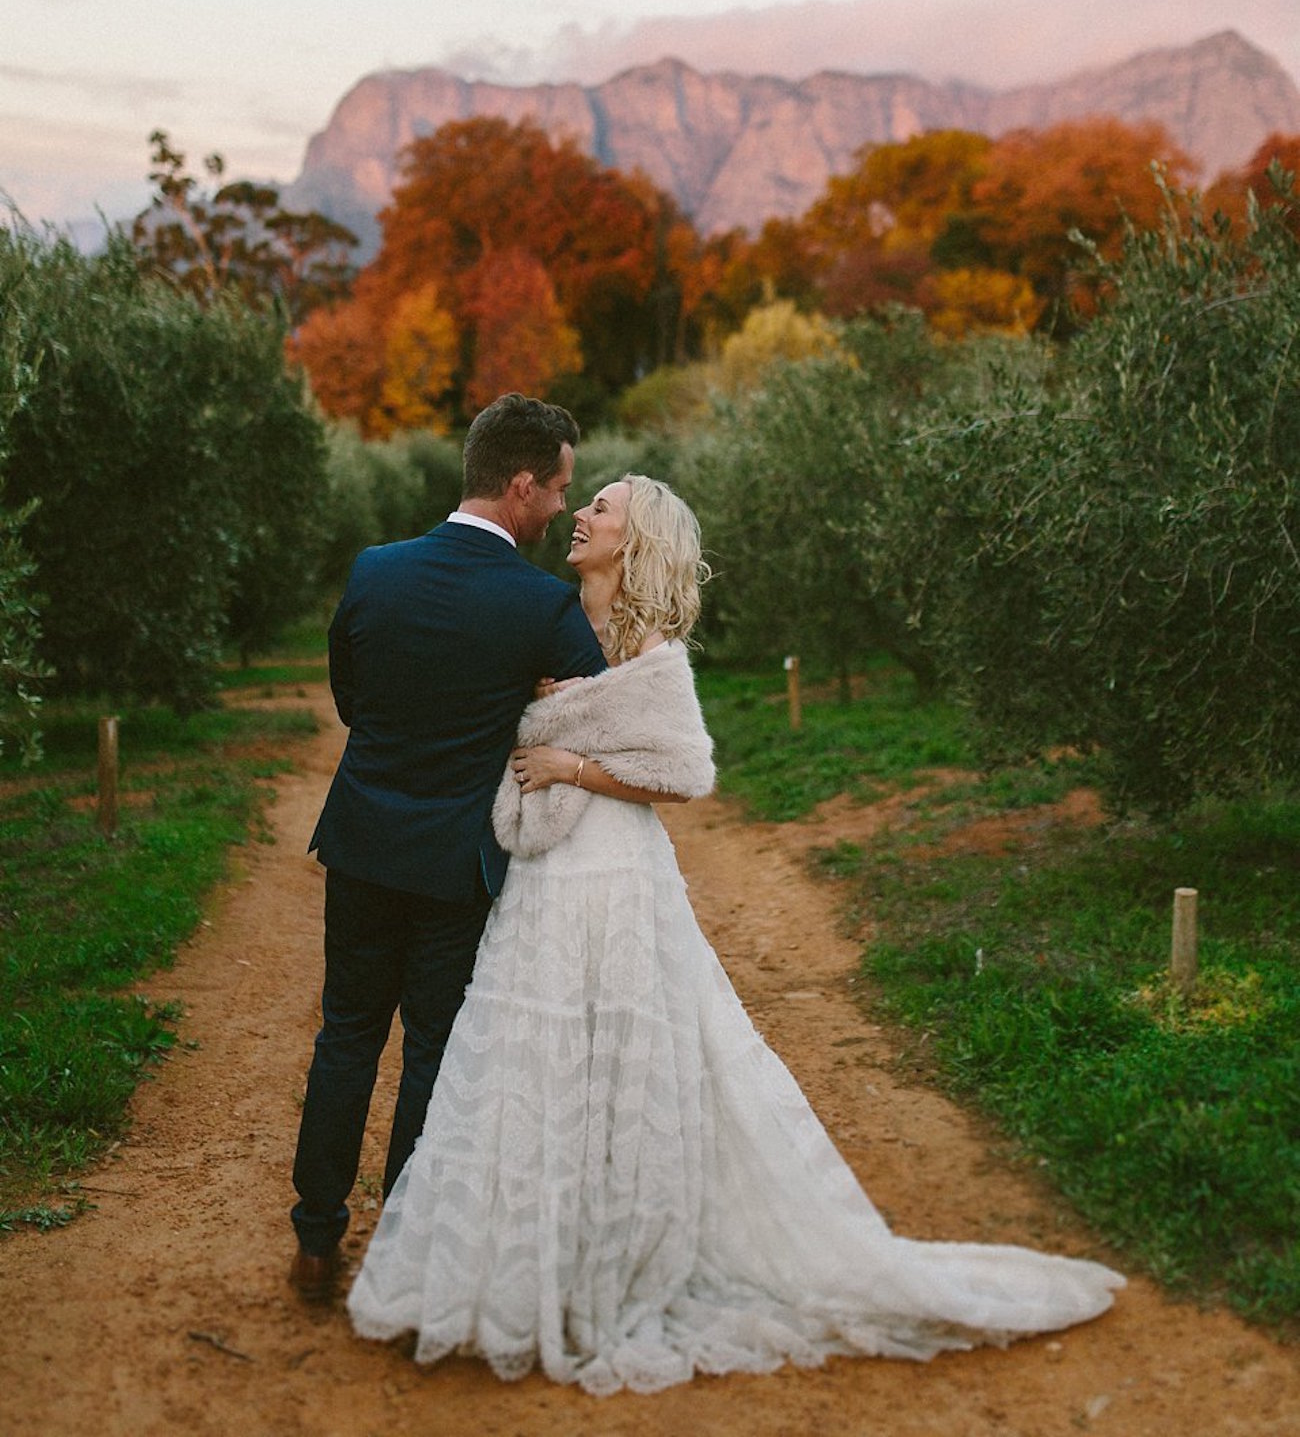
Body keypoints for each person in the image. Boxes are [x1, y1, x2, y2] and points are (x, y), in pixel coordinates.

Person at [348, 476, 1124, 1394]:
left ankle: (615, 1256)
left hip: (615, 870)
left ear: (632, 547)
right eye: (583, 501)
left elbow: (682, 774)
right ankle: (525, 1262)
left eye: (601, 510)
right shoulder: (547, 624)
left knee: (620, 1048)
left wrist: (574, 763)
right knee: (534, 1053)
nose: (583, 517)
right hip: (544, 878)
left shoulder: (655, 652)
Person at [288, 394, 606, 1301]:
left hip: (361, 842)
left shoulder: (374, 569)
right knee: (432, 1048)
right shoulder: (541, 604)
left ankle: (315, 1242)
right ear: (518, 485)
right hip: (456, 863)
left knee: (346, 1034)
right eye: (556, 490)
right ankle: (404, 1242)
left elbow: (352, 699)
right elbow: (595, 708)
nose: (559, 508)